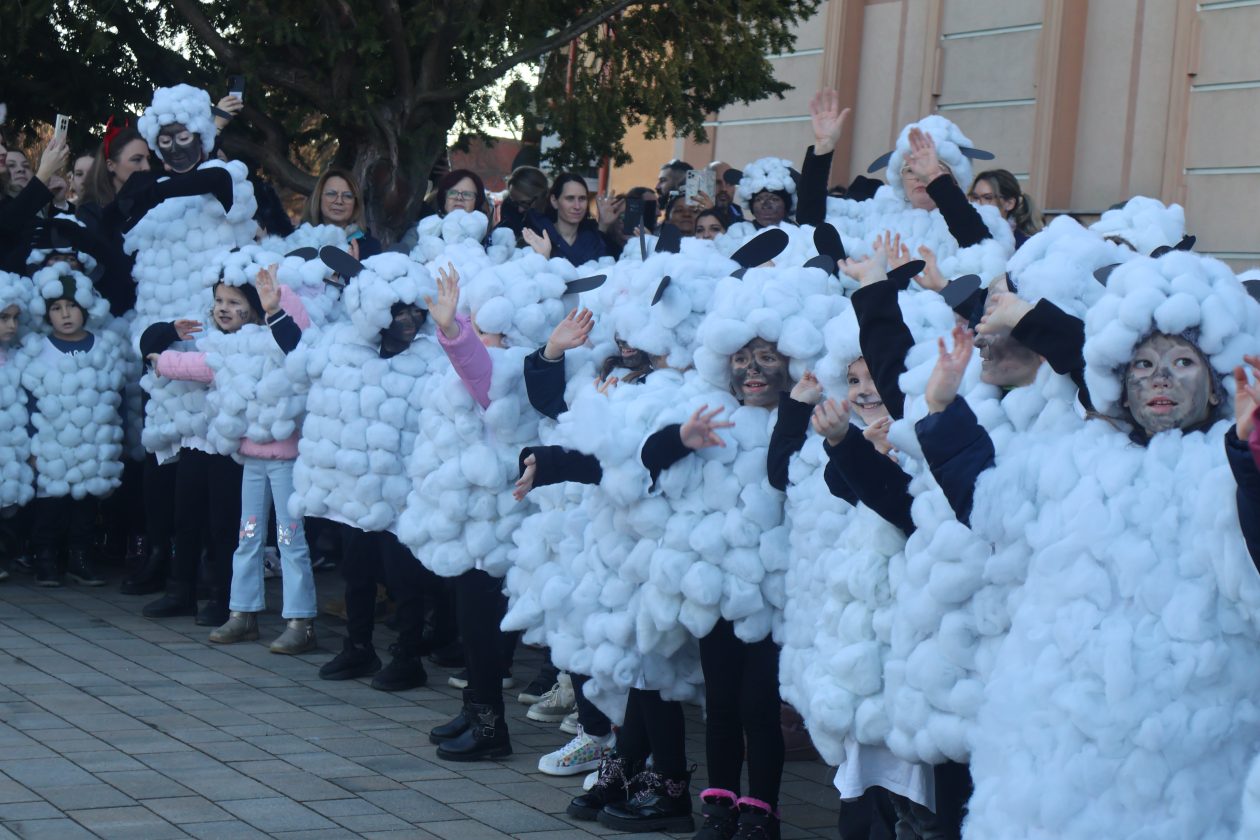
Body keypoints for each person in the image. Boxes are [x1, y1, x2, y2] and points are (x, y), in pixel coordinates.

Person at [914, 251, 1260, 838]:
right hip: (1056, 750)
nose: (1160, 379)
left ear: (1218, 383)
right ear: (1119, 385)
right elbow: (989, 505)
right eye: (1143, 364)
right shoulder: (1075, 457)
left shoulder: (1224, 470)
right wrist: (944, 408)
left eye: (1182, 362)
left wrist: (1250, 462)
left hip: (1185, 759)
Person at [287, 254, 489, 692]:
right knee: (356, 571)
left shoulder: (433, 356)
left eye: (417, 309)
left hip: (405, 494)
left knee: (405, 579)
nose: (411, 319)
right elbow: (298, 366)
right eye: (400, 310)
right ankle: (357, 646)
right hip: (353, 493)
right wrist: (273, 311)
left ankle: (408, 655)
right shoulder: (340, 347)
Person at [146, 260, 317, 653]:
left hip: (286, 458)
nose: (224, 308)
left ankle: (301, 620)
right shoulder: (228, 345)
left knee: (291, 539)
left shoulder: (279, 333)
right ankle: (242, 613)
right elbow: (198, 365)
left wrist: (276, 305)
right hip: (250, 458)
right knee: (248, 537)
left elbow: (301, 340)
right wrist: (161, 359)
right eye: (220, 301)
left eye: (235, 301)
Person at [22, 264, 127, 587]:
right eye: (57, 308)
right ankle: (45, 558)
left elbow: (115, 399)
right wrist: (30, 448)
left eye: (71, 307)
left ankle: (79, 557)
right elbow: (28, 404)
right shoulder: (38, 351)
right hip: (51, 447)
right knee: (50, 508)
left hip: (92, 449)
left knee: (85, 508)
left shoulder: (104, 348)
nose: (65, 314)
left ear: (85, 308)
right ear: (46, 313)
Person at [0, 271, 35, 581]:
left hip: (10, 444)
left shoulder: (16, 357)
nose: (11, 325)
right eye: (3, 318)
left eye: (14, 317)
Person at [522, 173, 622, 265]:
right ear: (554, 201)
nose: (577, 206)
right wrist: (542, 259)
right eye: (570, 198)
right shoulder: (535, 235)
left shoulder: (592, 238)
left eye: (582, 198)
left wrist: (603, 225)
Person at [303, 168, 381, 258]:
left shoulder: (370, 247)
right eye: (331, 194)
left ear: (356, 204)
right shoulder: (299, 238)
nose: (339, 201)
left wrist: (354, 269)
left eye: (348, 196)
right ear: (319, 198)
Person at [967, 169, 1041, 248]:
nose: (977, 203)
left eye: (987, 198)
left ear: (1009, 204)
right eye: (975, 197)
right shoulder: (965, 235)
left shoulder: (1026, 246)